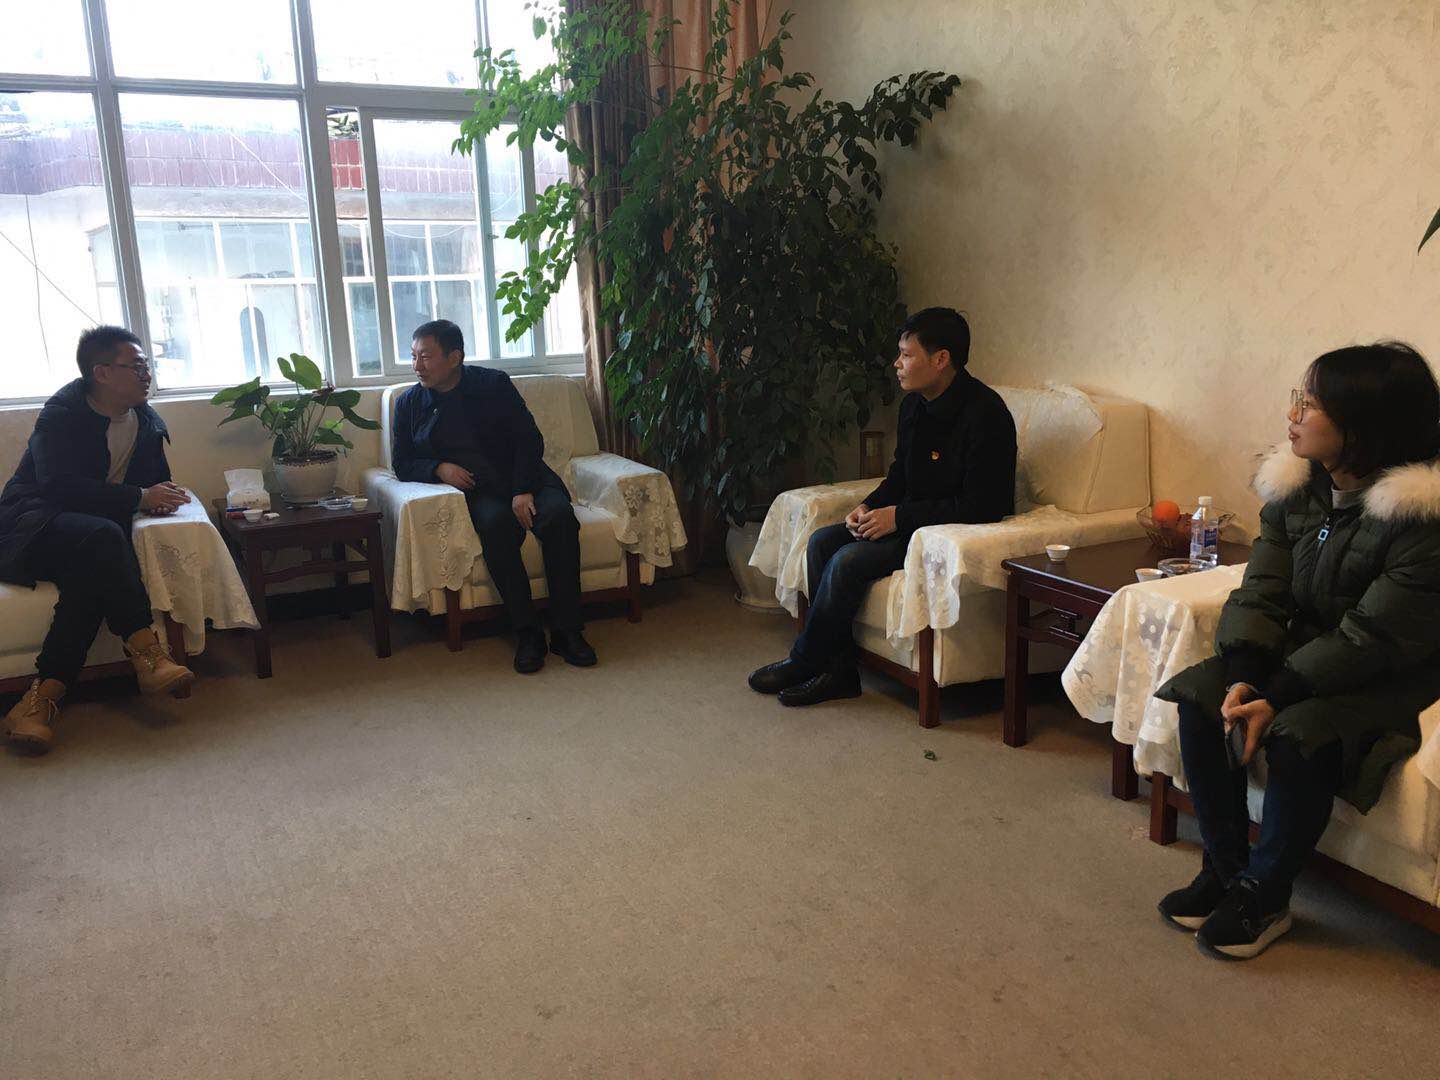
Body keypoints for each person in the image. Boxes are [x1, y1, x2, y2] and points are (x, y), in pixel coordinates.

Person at [1155, 342, 1440, 960]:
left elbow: (1372, 637)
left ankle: (1265, 896)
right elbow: (1262, 589)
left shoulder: (1422, 519)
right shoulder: (1299, 490)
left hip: (1393, 671)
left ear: (1363, 426)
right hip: (1312, 650)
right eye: (1298, 398)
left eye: (1310, 405)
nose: (1293, 416)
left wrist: (1277, 694)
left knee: (1298, 732)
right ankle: (1225, 871)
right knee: (1201, 695)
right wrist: (1243, 675)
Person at [748, 307, 1017, 706]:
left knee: (848, 560)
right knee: (822, 542)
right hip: (909, 520)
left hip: (942, 533)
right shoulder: (913, 406)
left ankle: (805, 661)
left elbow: (984, 505)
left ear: (941, 359)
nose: (897, 363)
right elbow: (899, 477)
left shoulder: (986, 414)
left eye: (907, 355)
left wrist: (899, 517)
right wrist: (868, 506)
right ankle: (839, 671)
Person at [1, 327, 195, 754]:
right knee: (103, 537)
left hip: (91, 536)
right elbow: (57, 487)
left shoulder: (145, 418)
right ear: (102, 372)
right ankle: (145, 649)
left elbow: (152, 480)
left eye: (147, 366)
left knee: (90, 573)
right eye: (137, 366)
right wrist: (139, 497)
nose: (147, 374)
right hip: (32, 525)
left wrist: (159, 498)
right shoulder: (62, 415)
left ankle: (40, 699)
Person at [391, 319, 596, 673]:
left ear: (454, 357)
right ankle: (528, 634)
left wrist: (522, 489)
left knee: (559, 518)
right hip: (480, 490)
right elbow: (402, 462)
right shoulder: (409, 403)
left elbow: (529, 439)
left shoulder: (493, 385)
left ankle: (568, 632)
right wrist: (439, 468)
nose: (417, 365)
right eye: (413, 356)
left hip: (526, 478)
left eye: (425, 356)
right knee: (496, 525)